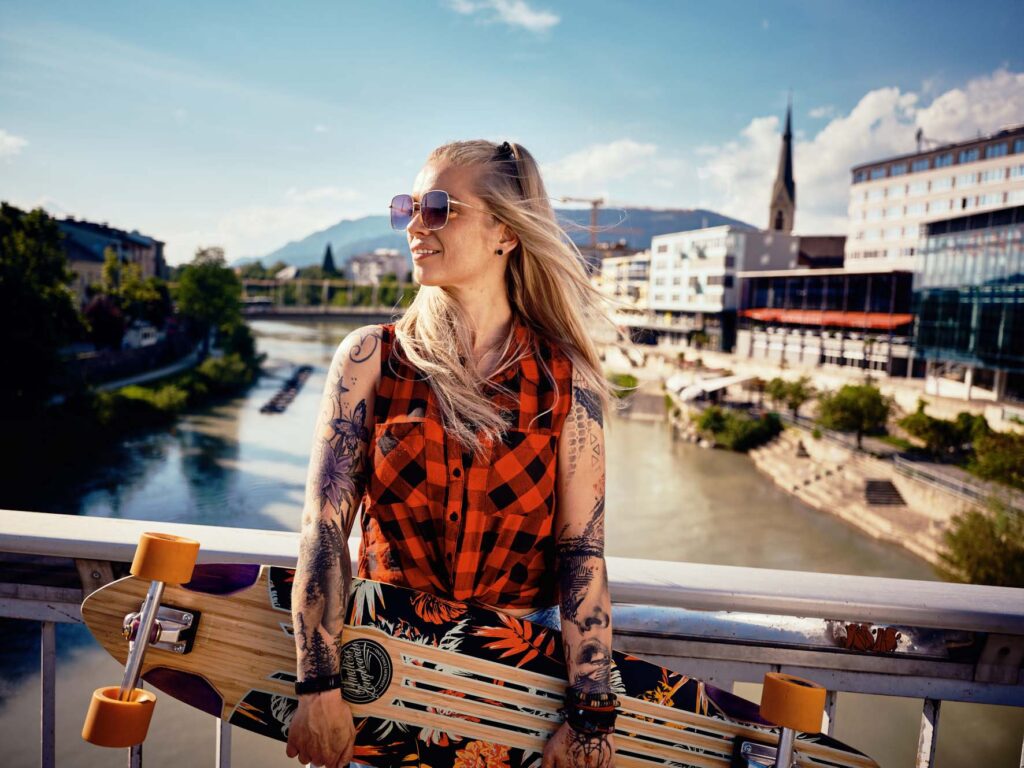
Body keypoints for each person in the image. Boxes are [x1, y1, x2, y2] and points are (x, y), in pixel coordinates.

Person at [286, 140, 620, 768]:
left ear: (505, 231)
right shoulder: (370, 360)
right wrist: (319, 684)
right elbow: (323, 528)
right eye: (408, 207)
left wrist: (591, 716)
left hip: (517, 700)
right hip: (382, 685)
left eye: (440, 207)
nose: (415, 224)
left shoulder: (566, 383)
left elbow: (582, 554)